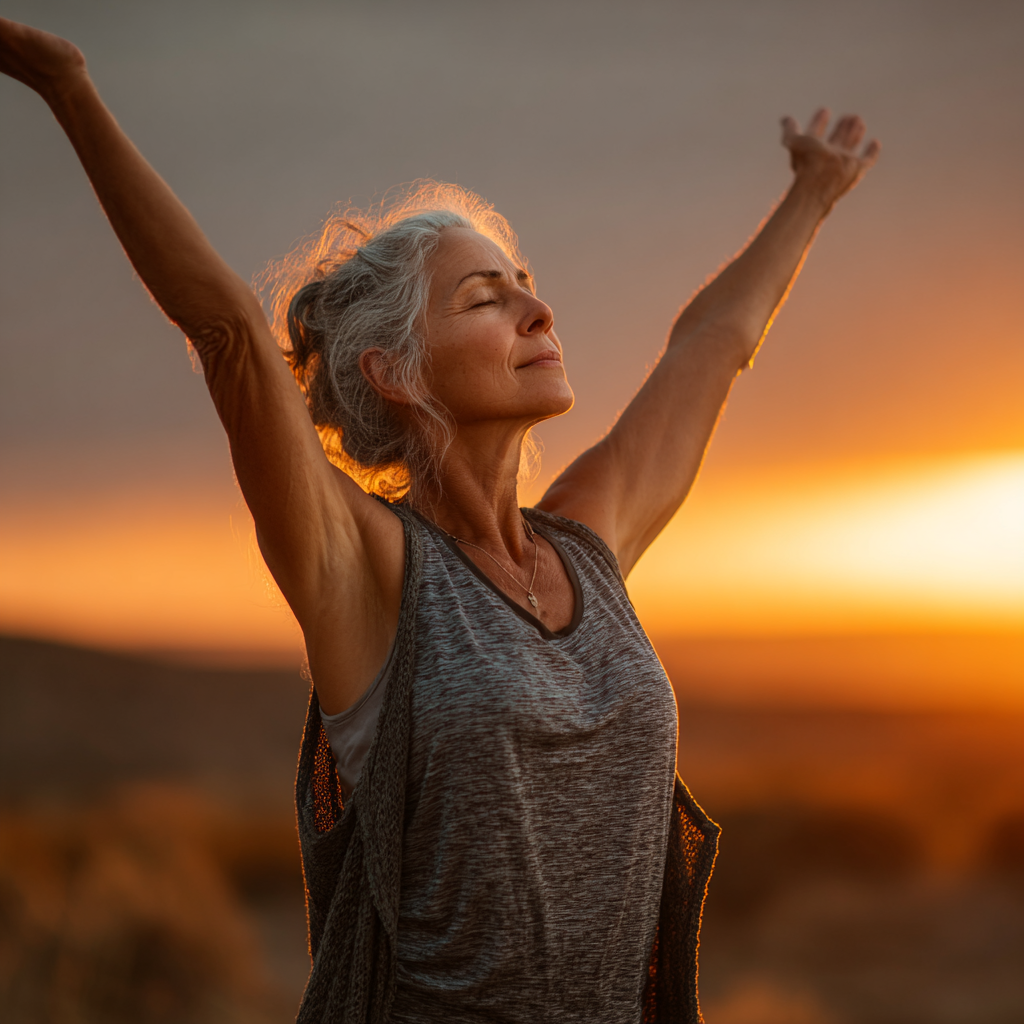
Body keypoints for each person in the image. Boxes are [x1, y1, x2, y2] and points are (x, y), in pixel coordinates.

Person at [0, 16, 880, 1024]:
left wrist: (811, 194)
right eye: (484, 299)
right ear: (394, 372)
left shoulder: (587, 546)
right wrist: (67, 85)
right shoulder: (369, 572)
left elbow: (710, 347)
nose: (537, 313)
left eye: (528, 288)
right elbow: (227, 331)